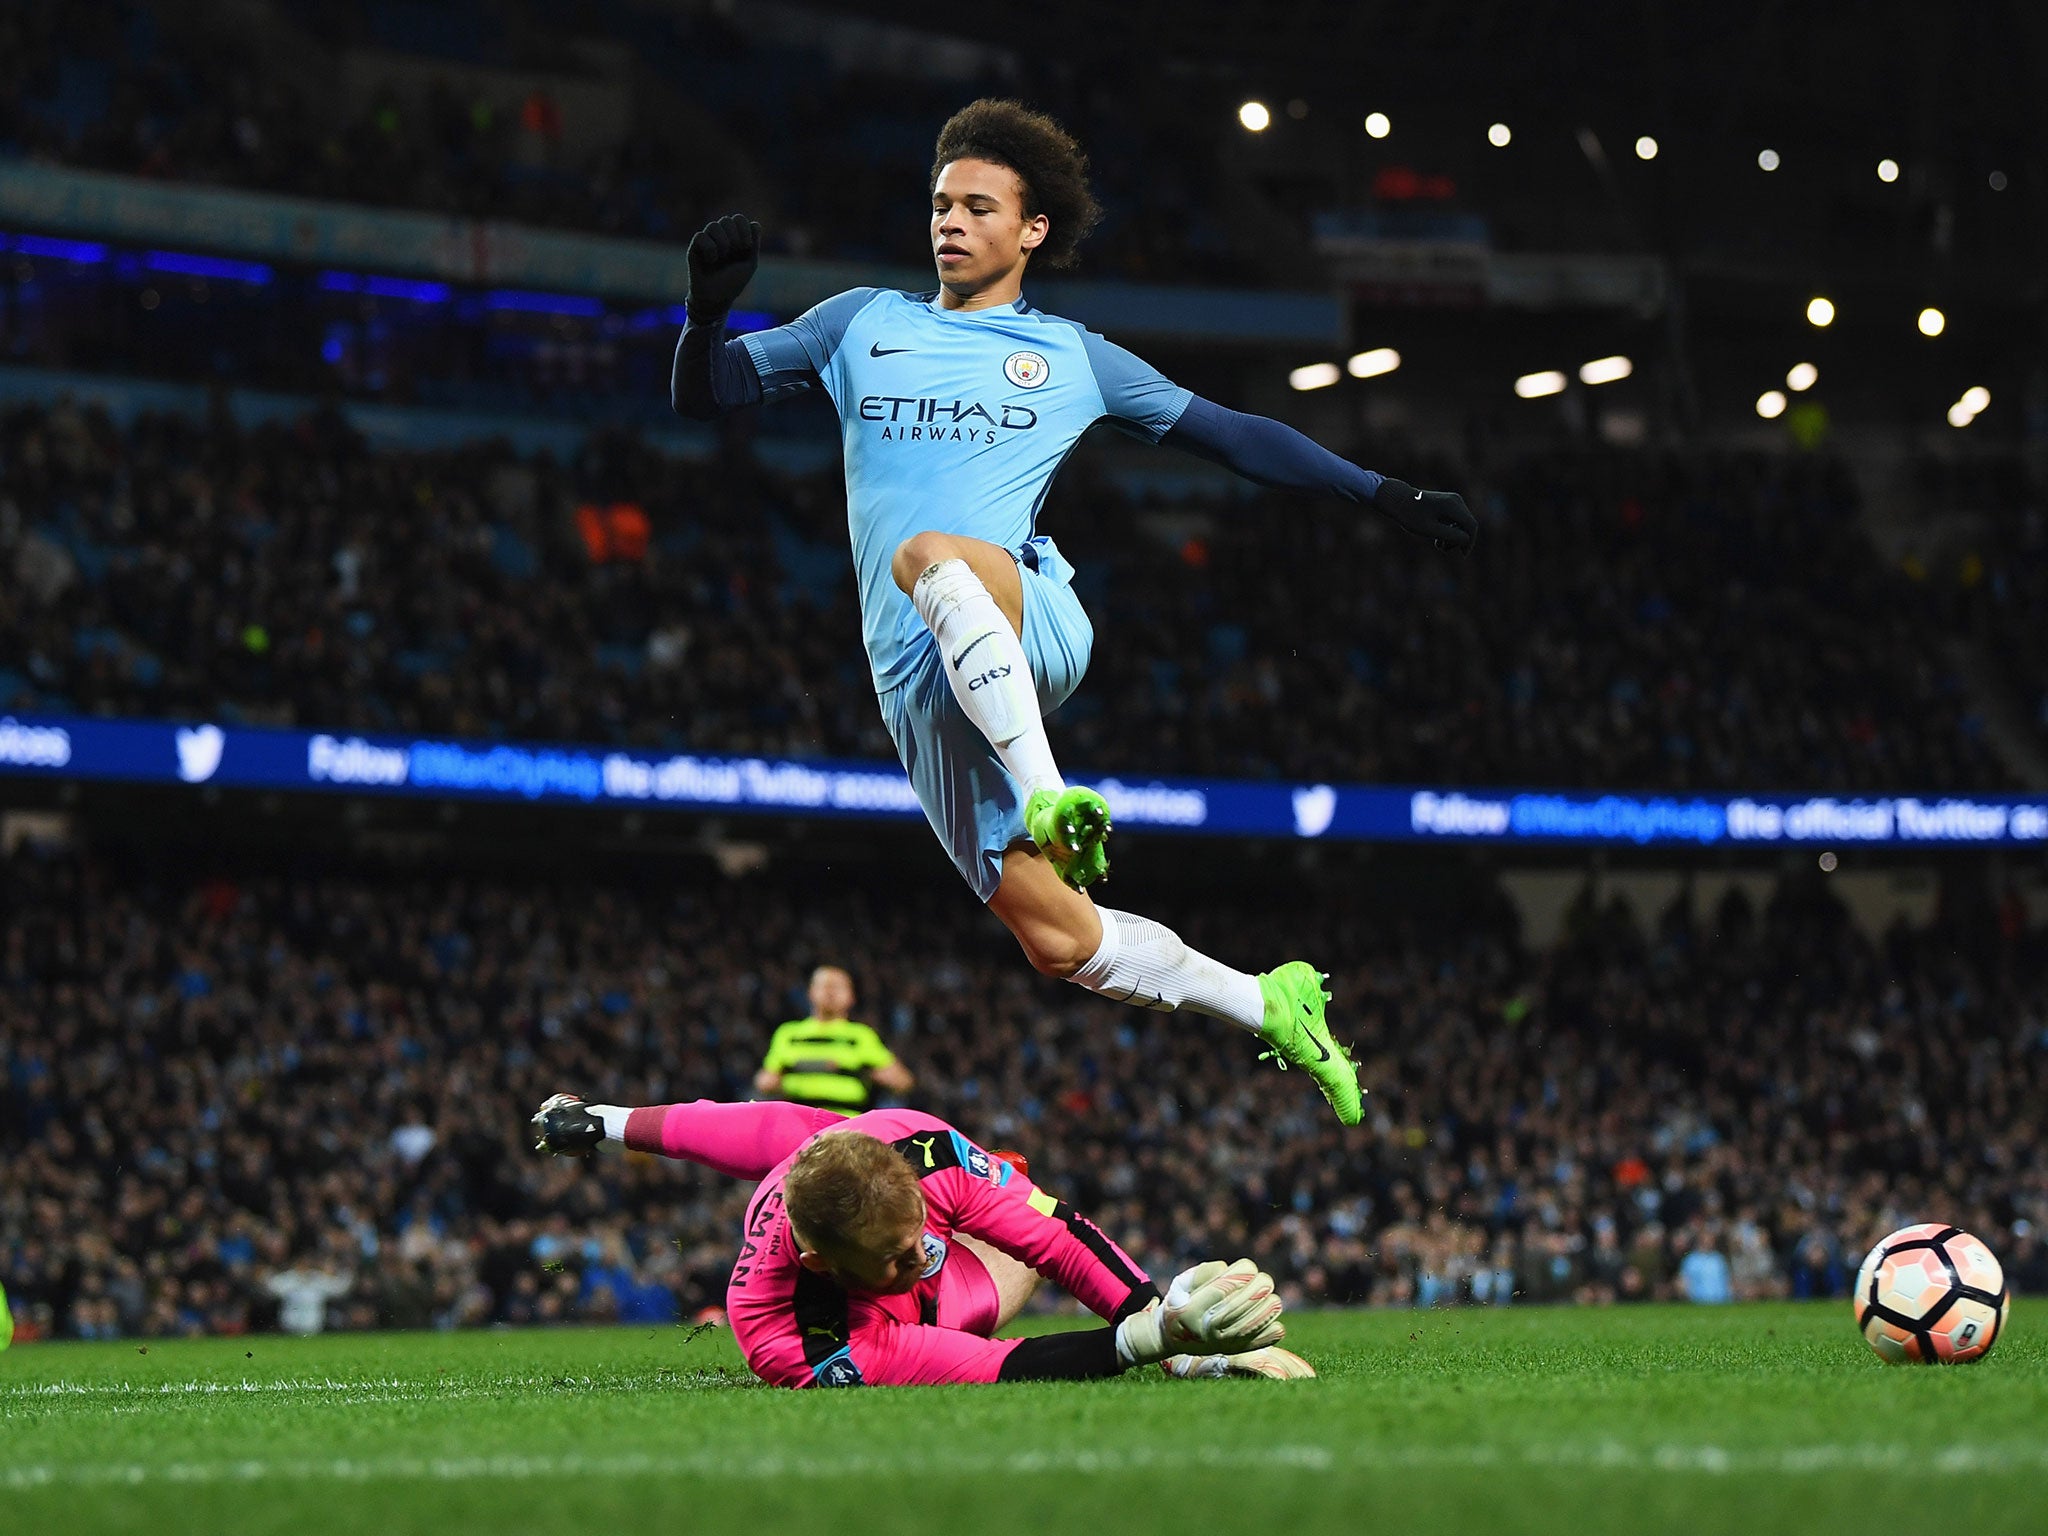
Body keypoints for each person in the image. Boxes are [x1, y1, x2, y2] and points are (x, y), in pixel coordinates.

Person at [672, 100, 1478, 1126]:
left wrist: (1380, 492)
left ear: (1032, 229)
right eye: (939, 204)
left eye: (976, 205)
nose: (948, 222)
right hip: (914, 680)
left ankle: (1052, 793)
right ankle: (1269, 1002)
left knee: (931, 554)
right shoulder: (856, 323)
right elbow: (708, 396)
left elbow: (1231, 435)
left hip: (1018, 614)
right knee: (1059, 942)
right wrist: (702, 315)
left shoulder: (1070, 356)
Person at [531, 1092, 1313, 1386]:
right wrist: (1148, 1338)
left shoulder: (913, 1145)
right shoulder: (790, 1336)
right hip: (899, 1328)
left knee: (1024, 1212)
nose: (922, 1255)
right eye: (898, 1256)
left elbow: (747, 1126)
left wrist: (605, 1122)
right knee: (977, 1294)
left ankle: (974, 1200)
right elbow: (996, 1368)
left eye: (920, 1234)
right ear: (819, 1260)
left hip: (891, 1190)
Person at [754, 965, 914, 1116]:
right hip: (798, 1124)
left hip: (846, 1128)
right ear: (810, 992)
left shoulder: (859, 1036)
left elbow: (902, 1081)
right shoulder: (789, 1034)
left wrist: (868, 1074)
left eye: (837, 987)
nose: (830, 992)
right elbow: (765, 1081)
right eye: (824, 986)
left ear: (851, 996)